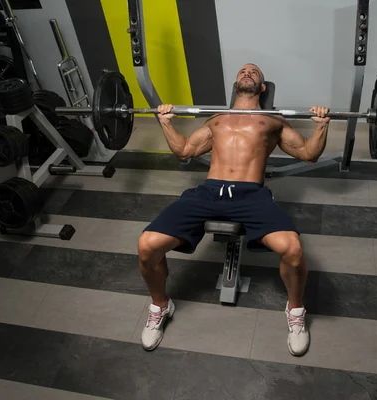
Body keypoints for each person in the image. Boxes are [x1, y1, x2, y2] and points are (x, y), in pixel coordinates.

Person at [138, 63, 330, 356]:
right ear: (236, 83)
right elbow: (185, 150)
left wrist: (321, 126)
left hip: (250, 194)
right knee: (147, 245)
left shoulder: (272, 121)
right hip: (208, 191)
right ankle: (160, 305)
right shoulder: (217, 120)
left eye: (254, 71)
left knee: (292, 249)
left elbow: (308, 153)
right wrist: (165, 122)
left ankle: (295, 310)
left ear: (262, 87)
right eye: (243, 70)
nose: (248, 72)